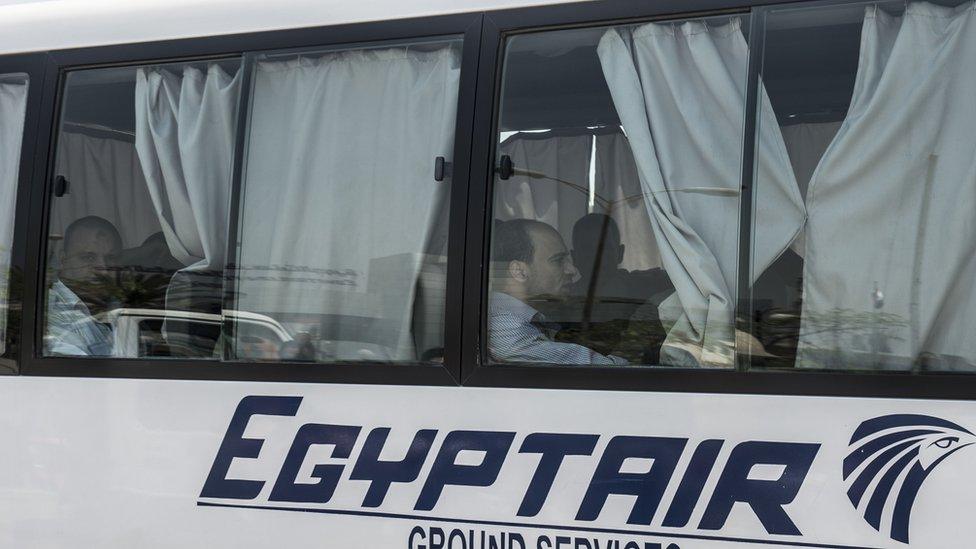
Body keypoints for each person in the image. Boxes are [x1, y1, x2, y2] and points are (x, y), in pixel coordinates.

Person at [488, 218, 627, 365]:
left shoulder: (513, 319)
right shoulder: (510, 332)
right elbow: (610, 370)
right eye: (558, 261)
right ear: (519, 271)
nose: (572, 270)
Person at [45, 216, 121, 356]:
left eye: (111, 259)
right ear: (63, 260)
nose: (103, 270)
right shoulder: (52, 311)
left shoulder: (114, 305)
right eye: (88, 258)